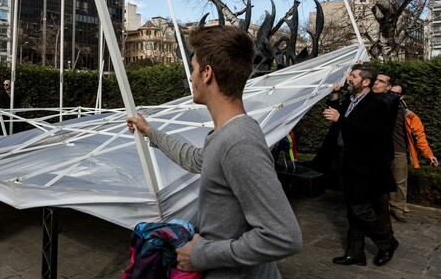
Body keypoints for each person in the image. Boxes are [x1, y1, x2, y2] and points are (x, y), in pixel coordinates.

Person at [126, 25, 302, 278]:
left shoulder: (239, 142)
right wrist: (149, 131)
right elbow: (196, 158)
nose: (191, 76)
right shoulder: (227, 135)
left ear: (207, 73)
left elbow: (283, 236)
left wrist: (200, 255)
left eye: (194, 67)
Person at [321, 64, 398, 267]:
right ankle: (355, 252)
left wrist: (341, 120)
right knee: (351, 208)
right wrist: (335, 95)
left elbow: (370, 133)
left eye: (353, 76)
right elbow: (339, 118)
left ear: (365, 82)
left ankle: (388, 242)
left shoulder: (377, 104)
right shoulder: (351, 99)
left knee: (359, 208)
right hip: (345, 160)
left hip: (365, 165)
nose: (349, 79)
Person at [389, 84, 439, 223]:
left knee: (399, 181)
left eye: (395, 94)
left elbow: (419, 135)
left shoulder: (407, 114)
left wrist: (428, 154)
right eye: (390, 92)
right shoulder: (380, 107)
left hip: (399, 151)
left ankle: (397, 208)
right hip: (380, 150)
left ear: (402, 97)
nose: (392, 96)